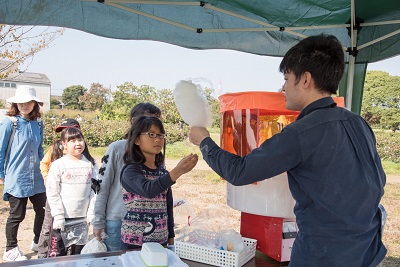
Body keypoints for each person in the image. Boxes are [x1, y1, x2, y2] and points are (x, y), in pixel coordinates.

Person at [188, 34, 387, 266]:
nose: (283, 87)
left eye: (286, 78)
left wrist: (204, 141)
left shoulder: (301, 133)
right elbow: (377, 181)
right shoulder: (358, 123)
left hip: (322, 256)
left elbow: (239, 172)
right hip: (366, 250)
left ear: (305, 80)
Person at [120, 116, 198, 249]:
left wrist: (171, 237)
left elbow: (168, 207)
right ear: (137, 139)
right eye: (151, 134)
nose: (157, 139)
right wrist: (177, 171)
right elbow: (148, 190)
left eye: (160, 135)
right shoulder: (130, 171)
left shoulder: (162, 173)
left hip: (161, 241)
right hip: (134, 242)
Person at [93, 103, 162, 251]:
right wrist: (98, 221)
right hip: (117, 220)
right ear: (133, 121)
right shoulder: (117, 148)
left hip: (149, 223)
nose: (154, 129)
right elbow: (102, 186)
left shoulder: (157, 153)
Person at [0, 85, 46, 261]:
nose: (24, 105)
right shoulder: (9, 123)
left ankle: (38, 240)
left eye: (28, 102)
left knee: (43, 210)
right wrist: (1, 174)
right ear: (15, 104)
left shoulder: (38, 123)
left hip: (36, 177)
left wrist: (44, 169)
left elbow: (40, 149)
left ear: (35, 103)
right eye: (21, 102)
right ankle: (10, 249)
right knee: (17, 214)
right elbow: (0, 150)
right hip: (17, 176)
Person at [46, 127, 98, 256]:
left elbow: (95, 190)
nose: (77, 143)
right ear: (64, 144)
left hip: (81, 218)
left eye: (79, 139)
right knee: (57, 254)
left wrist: (91, 212)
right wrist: (58, 215)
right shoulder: (58, 165)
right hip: (62, 219)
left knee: (78, 254)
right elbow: (52, 191)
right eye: (72, 140)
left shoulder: (91, 164)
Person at [36, 118, 81, 258]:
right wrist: (45, 176)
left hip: (73, 196)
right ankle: (43, 255)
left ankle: (70, 255)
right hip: (55, 193)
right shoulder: (55, 147)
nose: (65, 133)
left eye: (68, 130)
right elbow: (44, 163)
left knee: (74, 226)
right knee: (49, 224)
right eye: (62, 131)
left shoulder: (81, 149)